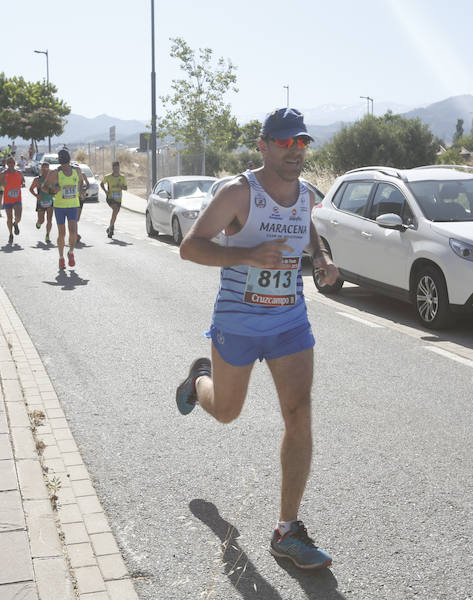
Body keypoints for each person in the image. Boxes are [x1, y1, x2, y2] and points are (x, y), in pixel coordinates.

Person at [174, 108, 339, 570]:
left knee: (299, 414)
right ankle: (197, 382)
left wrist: (321, 261)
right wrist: (248, 253)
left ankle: (287, 530)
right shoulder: (238, 193)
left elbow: (309, 233)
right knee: (226, 412)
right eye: (285, 143)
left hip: (290, 323)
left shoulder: (306, 194)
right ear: (263, 145)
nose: (295, 152)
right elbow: (190, 247)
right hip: (238, 323)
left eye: (301, 143)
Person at [43, 149, 88, 269]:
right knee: (62, 233)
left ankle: (71, 252)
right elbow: (44, 187)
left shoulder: (77, 170)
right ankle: (61, 258)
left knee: (73, 231)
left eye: (65, 156)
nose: (63, 159)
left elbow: (80, 183)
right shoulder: (54, 173)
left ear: (68, 158)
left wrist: (81, 191)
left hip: (73, 205)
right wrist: (53, 191)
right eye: (61, 157)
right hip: (59, 206)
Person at [100, 161, 127, 238]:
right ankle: (111, 228)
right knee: (115, 210)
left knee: (115, 215)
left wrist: (121, 187)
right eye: (115, 168)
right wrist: (105, 191)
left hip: (118, 199)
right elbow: (101, 184)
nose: (116, 169)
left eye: (117, 168)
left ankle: (110, 228)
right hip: (110, 197)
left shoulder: (122, 177)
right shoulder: (108, 177)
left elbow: (126, 188)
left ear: (119, 168)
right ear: (112, 168)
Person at [1, 157, 24, 244]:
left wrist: (22, 183)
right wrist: (2, 184)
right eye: (9, 162)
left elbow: (22, 181)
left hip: (17, 198)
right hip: (7, 199)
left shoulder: (19, 173)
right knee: (9, 218)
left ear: (14, 163)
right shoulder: (3, 174)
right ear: (7, 164)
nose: (11, 164)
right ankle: (11, 234)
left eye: (12, 162)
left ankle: (16, 224)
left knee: (18, 217)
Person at [30, 162, 54, 244]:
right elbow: (31, 189)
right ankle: (38, 222)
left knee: (49, 219)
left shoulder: (52, 179)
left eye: (47, 169)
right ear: (41, 169)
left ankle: (47, 235)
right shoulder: (37, 179)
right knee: (42, 220)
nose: (45, 170)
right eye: (43, 169)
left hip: (50, 201)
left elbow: (56, 188)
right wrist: (36, 195)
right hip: (41, 202)